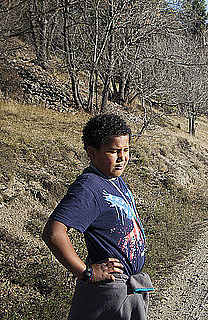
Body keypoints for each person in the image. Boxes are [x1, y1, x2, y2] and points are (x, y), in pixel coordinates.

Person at [42, 113, 153, 320]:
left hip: (128, 287)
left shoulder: (112, 177)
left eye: (126, 150)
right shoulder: (88, 187)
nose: (122, 158)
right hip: (109, 292)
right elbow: (54, 233)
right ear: (92, 153)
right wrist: (86, 272)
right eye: (113, 151)